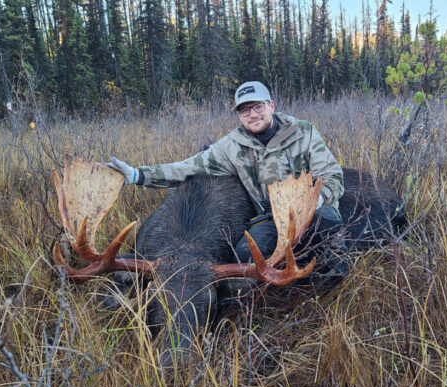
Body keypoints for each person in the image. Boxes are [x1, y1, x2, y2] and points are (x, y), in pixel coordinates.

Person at [107, 81, 348, 277]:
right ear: (239, 115)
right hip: (270, 217)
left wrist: (315, 201)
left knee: (331, 248)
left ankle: (332, 285)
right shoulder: (230, 146)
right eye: (245, 110)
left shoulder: (303, 132)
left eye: (258, 107)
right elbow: (187, 168)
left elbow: (332, 174)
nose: (253, 115)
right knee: (246, 259)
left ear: (271, 105)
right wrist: (137, 175)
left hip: (312, 211)